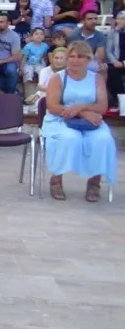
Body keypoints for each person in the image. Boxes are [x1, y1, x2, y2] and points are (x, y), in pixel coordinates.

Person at [43, 41, 117, 202]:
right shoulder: (58, 78)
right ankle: (56, 180)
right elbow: (52, 106)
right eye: (72, 56)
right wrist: (82, 113)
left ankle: (94, 183)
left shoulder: (96, 78)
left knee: (103, 139)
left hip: (91, 118)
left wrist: (80, 108)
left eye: (80, 57)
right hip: (60, 118)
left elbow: (102, 106)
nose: (75, 60)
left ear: (88, 59)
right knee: (70, 138)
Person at [105, 11, 125, 109]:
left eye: (124, 19)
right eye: (120, 19)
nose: (122, 21)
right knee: (111, 71)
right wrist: (114, 61)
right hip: (116, 61)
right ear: (116, 20)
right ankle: (120, 100)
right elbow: (108, 51)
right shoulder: (112, 33)